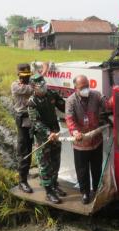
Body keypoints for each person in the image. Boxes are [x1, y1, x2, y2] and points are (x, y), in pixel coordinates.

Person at [65, 75, 112, 204]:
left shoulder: (96, 95)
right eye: (82, 87)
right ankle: (85, 192)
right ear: (75, 88)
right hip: (80, 143)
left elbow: (107, 105)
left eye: (87, 86)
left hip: (96, 141)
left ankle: (97, 188)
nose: (86, 89)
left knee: (97, 167)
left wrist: (114, 99)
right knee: (82, 170)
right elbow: (69, 119)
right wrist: (75, 132)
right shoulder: (70, 101)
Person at [28, 74, 66, 204]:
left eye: (44, 85)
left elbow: (64, 106)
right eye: (40, 87)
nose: (43, 88)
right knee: (45, 164)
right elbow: (36, 122)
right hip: (43, 137)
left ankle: (55, 185)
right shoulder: (32, 102)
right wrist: (49, 132)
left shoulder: (52, 94)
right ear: (33, 88)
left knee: (56, 160)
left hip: (55, 133)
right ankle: (49, 191)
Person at [11, 63, 34, 193]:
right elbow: (31, 89)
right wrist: (33, 86)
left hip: (34, 117)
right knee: (25, 150)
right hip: (23, 118)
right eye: (23, 76)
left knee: (39, 146)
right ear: (18, 75)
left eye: (28, 76)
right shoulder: (15, 86)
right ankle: (22, 181)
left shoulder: (29, 83)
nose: (25, 78)